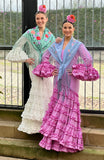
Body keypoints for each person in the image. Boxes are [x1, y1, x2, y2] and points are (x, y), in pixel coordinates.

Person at [32, 14, 99, 152]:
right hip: (58, 79)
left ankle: (67, 141)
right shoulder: (56, 43)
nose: (67, 30)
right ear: (62, 29)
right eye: (65, 28)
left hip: (71, 80)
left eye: (69, 27)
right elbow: (45, 56)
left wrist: (76, 70)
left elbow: (88, 59)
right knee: (58, 104)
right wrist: (51, 70)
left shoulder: (78, 45)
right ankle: (55, 140)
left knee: (69, 107)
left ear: (73, 29)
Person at [6, 5, 56, 134]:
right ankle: (35, 125)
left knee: (49, 91)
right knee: (37, 90)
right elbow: (17, 46)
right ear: (35, 20)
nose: (40, 20)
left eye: (42, 18)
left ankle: (48, 123)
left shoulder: (50, 35)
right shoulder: (29, 33)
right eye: (38, 19)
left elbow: (54, 51)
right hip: (34, 68)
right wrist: (26, 59)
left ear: (46, 19)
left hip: (47, 69)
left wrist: (53, 66)